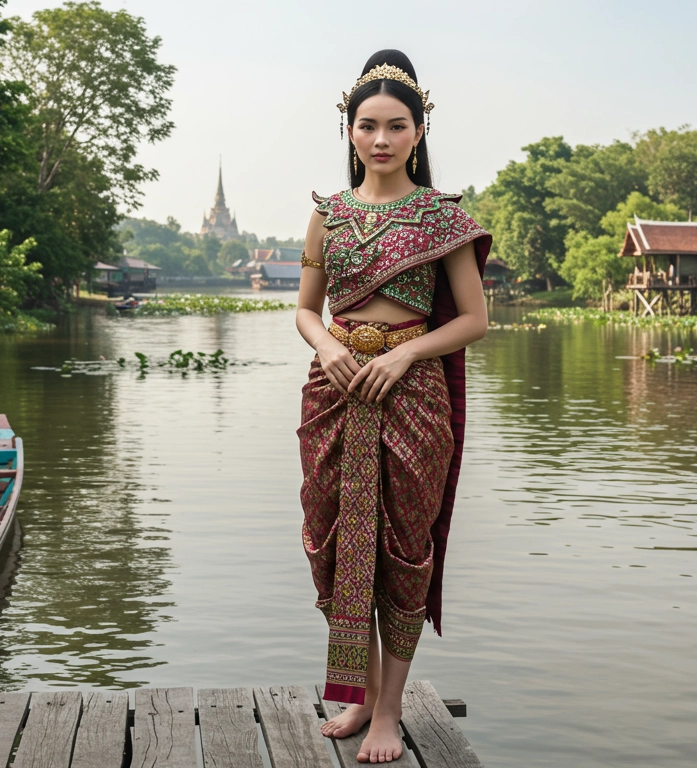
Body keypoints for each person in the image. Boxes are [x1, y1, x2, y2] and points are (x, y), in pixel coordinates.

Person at [295, 49, 491, 764]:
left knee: (404, 553)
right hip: (337, 392)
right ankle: (359, 697)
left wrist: (406, 353)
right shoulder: (328, 216)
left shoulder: (442, 219)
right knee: (333, 544)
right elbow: (306, 312)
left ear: (419, 131)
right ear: (348, 130)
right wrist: (328, 348)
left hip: (412, 395)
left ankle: (387, 716)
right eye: (367, 124)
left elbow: (473, 319)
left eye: (397, 126)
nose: (381, 139)